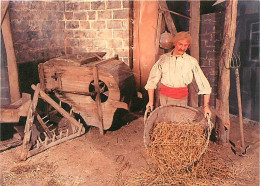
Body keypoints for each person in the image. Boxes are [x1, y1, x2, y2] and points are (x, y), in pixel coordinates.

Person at [145, 31, 212, 117]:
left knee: (178, 123)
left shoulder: (191, 62)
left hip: (181, 100)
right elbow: (152, 81)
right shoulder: (163, 59)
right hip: (164, 98)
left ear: (188, 46)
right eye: (180, 44)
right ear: (175, 43)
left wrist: (206, 107)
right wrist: (150, 102)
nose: (182, 48)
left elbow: (204, 85)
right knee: (165, 123)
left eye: (185, 45)